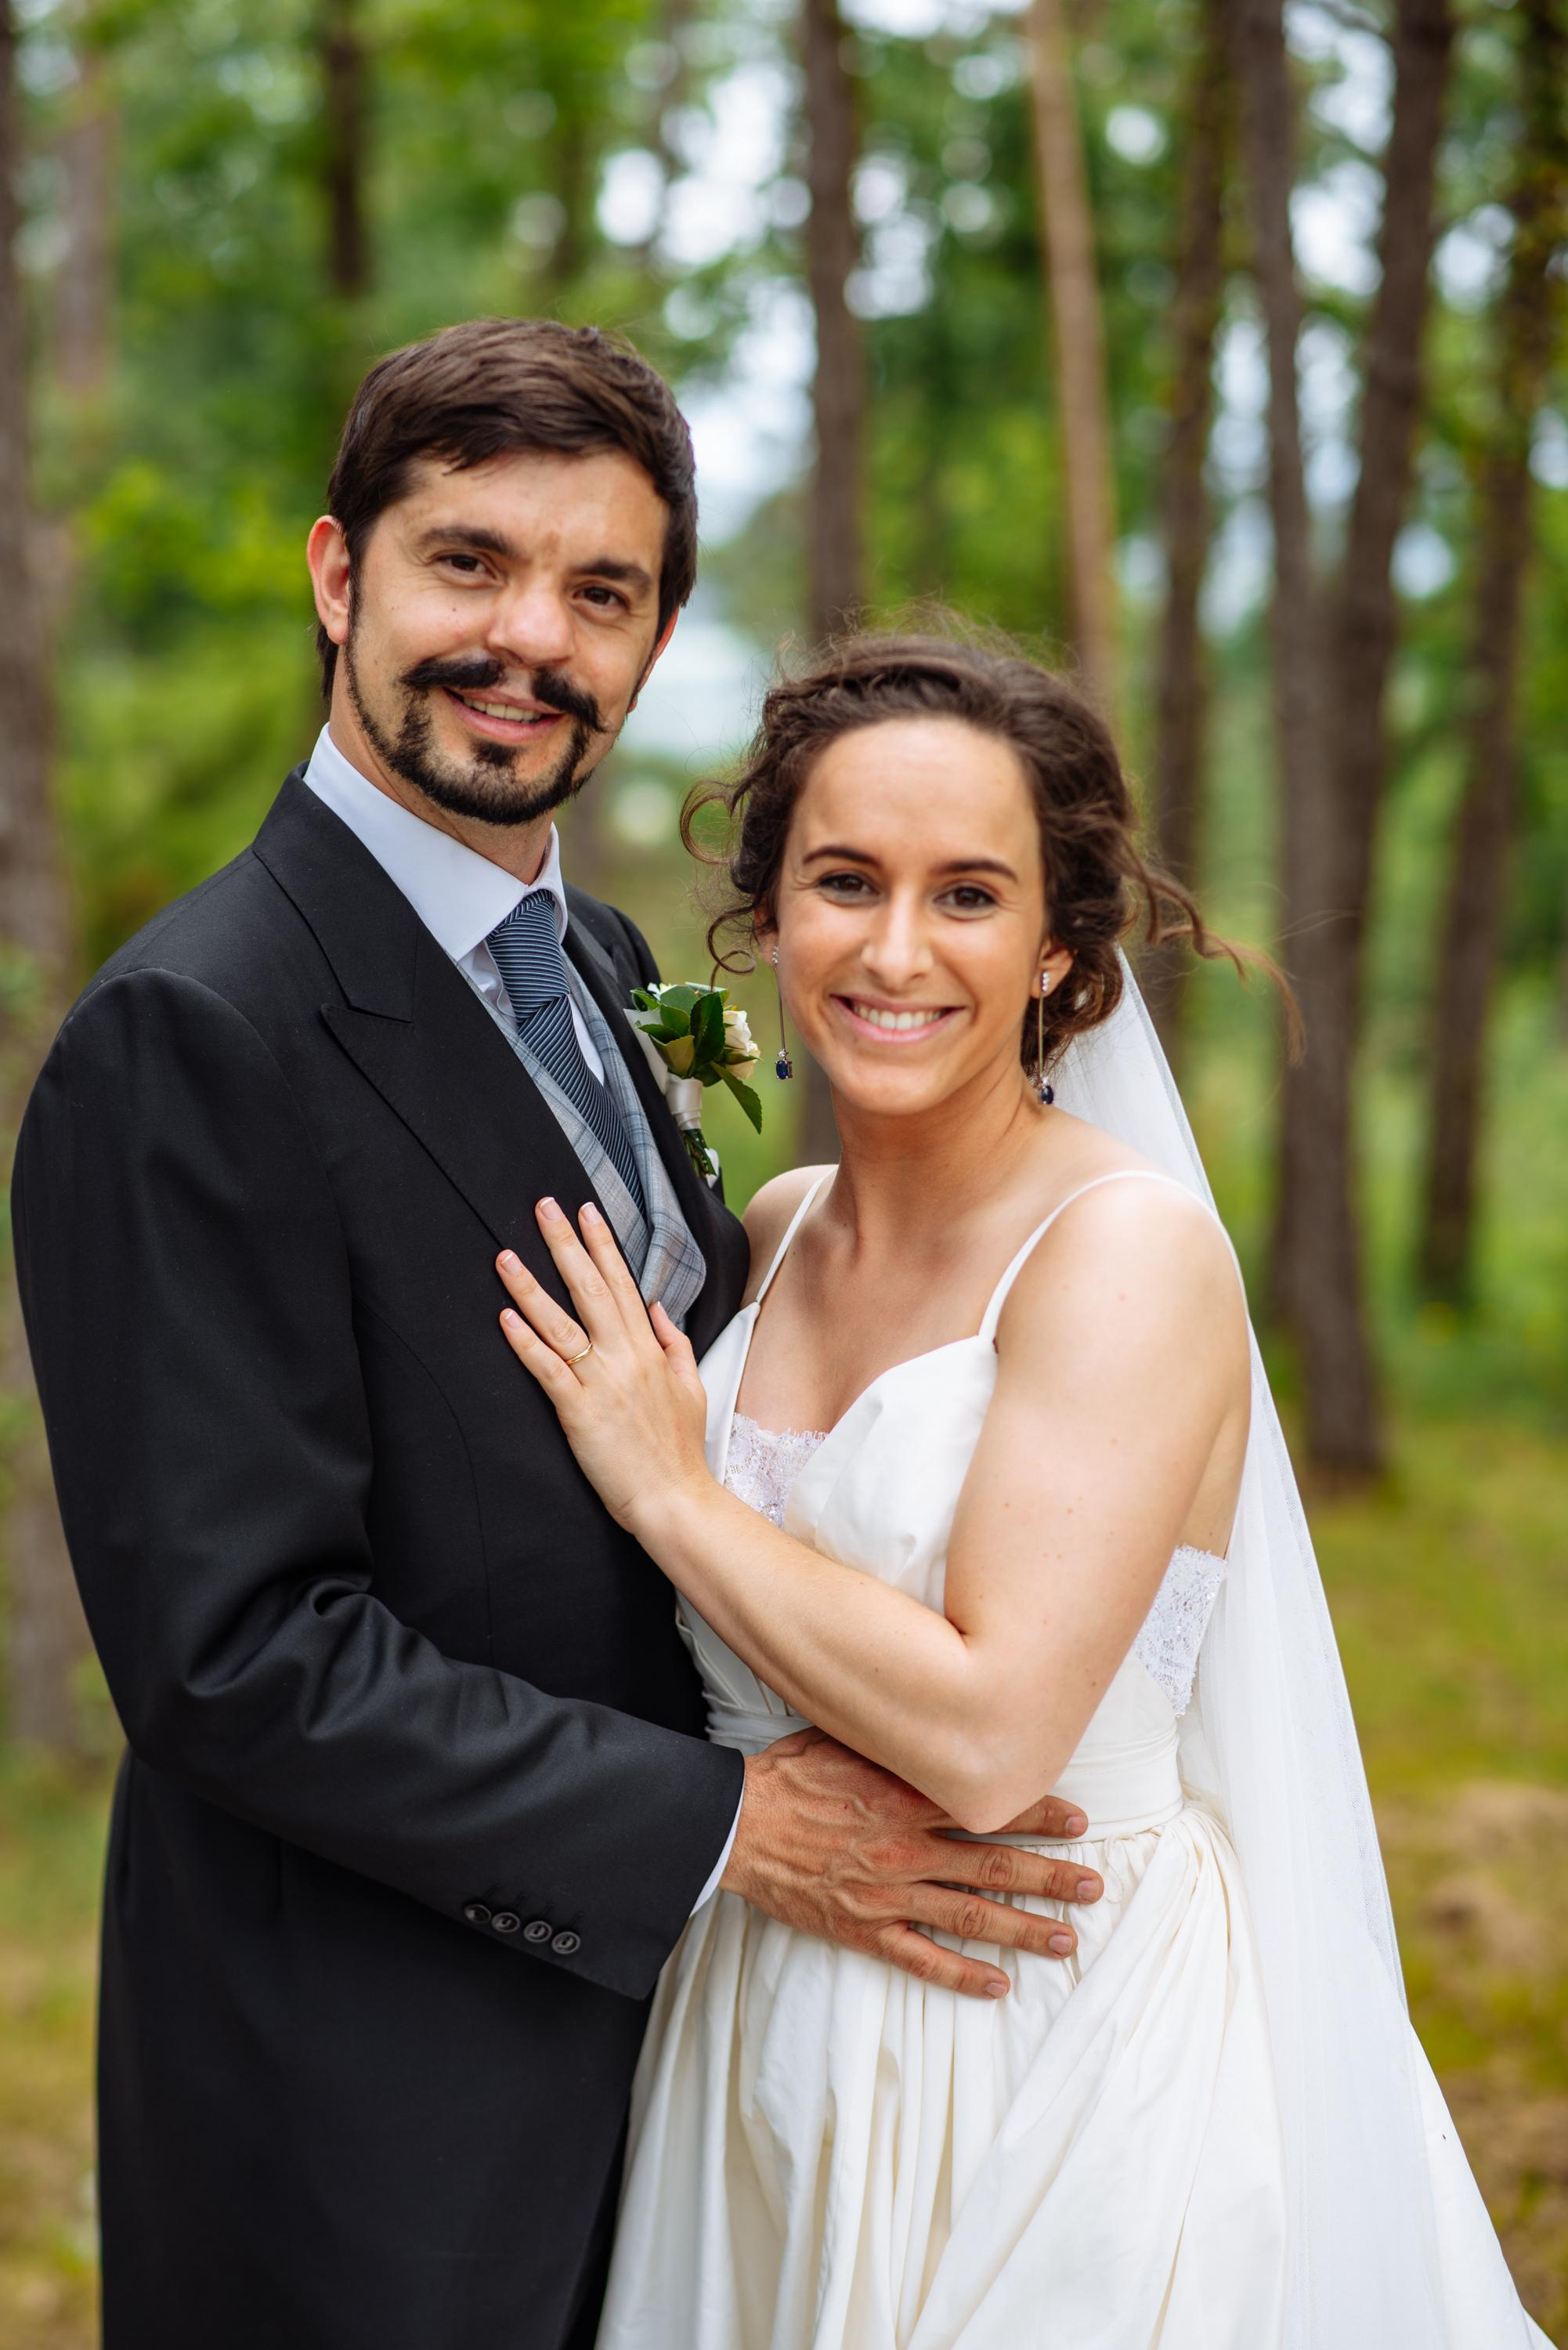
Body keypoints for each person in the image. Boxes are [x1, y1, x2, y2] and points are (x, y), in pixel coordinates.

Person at [10, 331, 1097, 2348]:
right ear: (339, 577)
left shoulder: (587, 963)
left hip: (673, 2074)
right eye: (469, 565)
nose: (528, 640)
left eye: (600, 592)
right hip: (374, 2126)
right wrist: (726, 1830)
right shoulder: (191, 1038)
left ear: (656, 630)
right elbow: (236, 1660)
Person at [499, 631, 1552, 2349]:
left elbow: (992, 1734)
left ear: (1059, 945)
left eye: (967, 895)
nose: (894, 949)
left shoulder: (1121, 1253)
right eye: (843, 881)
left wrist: (671, 1490)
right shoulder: (766, 1241)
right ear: (768, 916)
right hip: (756, 2033)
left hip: (1047, 2046)